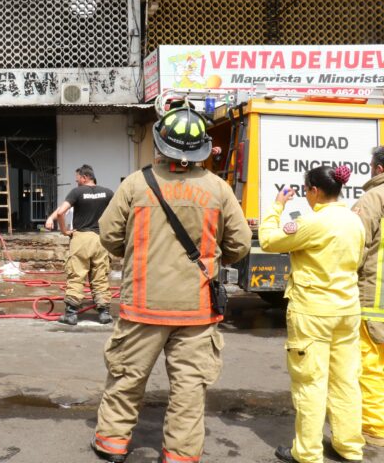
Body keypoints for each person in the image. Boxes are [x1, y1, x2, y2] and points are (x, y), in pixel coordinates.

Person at [91, 106, 251, 463]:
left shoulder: (136, 183)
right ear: (202, 149)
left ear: (161, 143)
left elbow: (109, 234)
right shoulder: (219, 189)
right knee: (189, 389)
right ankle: (180, 454)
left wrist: (136, 253)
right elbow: (239, 246)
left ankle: (112, 444)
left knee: (126, 377)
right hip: (197, 310)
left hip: (143, 306)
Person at [260, 165, 365, 463]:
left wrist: (277, 206)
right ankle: (349, 447)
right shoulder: (354, 221)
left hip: (313, 313)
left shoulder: (313, 222)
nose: (306, 196)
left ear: (315, 191)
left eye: (306, 190)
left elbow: (269, 240)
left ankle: (307, 453)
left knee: (310, 383)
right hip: (347, 311)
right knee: (346, 382)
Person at [45, 165, 114, 325]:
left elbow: (61, 212)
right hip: (100, 240)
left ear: (84, 177)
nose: (77, 183)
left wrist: (64, 230)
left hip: (80, 238)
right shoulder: (108, 193)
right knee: (100, 276)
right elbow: (120, 212)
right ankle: (104, 313)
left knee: (76, 275)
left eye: (77, 180)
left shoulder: (77, 192)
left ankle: (71, 315)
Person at [351, 146, 384, 449]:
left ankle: (375, 428)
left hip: (376, 299)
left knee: (371, 365)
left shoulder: (374, 198)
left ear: (379, 169)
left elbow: (354, 246)